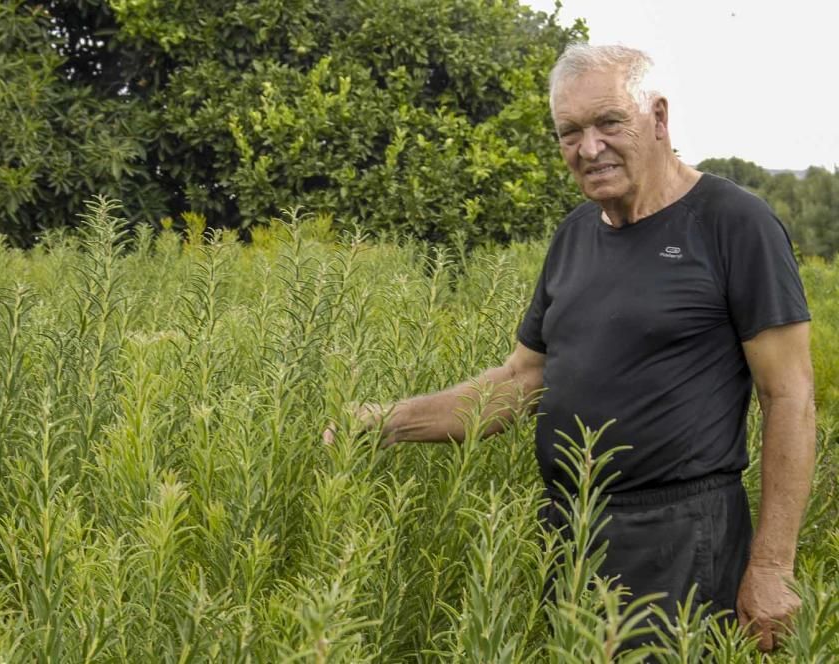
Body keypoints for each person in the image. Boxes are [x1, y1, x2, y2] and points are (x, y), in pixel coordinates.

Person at [325, 44, 816, 652]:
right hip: (571, 533)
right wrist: (386, 423)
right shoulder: (575, 236)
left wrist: (771, 568)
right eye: (570, 132)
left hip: (683, 538)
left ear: (658, 119)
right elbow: (523, 379)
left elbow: (788, 393)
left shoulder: (734, 222)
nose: (589, 148)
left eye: (609, 122)